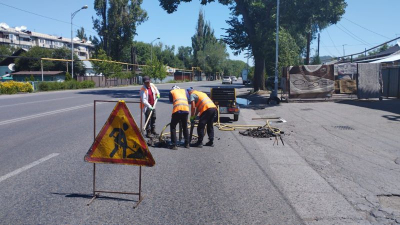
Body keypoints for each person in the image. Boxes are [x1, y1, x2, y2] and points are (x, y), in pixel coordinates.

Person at [169, 85, 190, 150]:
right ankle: (187, 144)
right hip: (185, 110)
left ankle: (174, 144)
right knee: (185, 126)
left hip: (177, 110)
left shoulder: (172, 92)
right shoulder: (184, 91)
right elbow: (188, 98)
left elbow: (171, 100)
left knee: (173, 126)